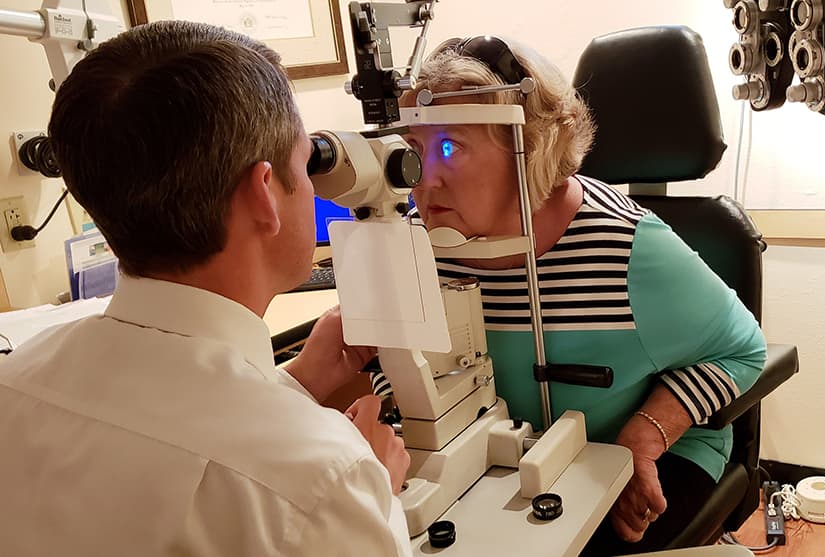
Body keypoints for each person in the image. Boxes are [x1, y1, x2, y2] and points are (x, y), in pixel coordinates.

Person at [0, 20, 411, 557]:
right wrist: (377, 496)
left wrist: (295, 385)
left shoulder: (15, 384)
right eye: (304, 160)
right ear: (264, 195)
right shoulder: (321, 481)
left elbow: (176, 425)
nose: (312, 185)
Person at [395, 36, 767, 555]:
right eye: (414, 150)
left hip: (634, 451)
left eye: (450, 148)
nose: (423, 180)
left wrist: (643, 438)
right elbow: (397, 363)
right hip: (492, 459)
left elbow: (744, 351)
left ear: (529, 147)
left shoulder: (627, 246)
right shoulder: (417, 243)